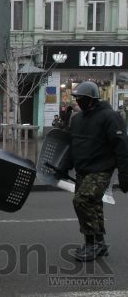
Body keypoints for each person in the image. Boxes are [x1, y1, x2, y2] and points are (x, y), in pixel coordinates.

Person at [57, 81, 128, 261]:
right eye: (77, 98)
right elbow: (72, 146)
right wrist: (63, 167)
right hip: (83, 169)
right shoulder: (78, 119)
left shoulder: (110, 117)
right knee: (94, 206)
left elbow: (121, 147)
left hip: (101, 169)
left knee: (82, 200)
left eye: (83, 98)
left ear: (92, 99)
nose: (79, 101)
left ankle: (92, 244)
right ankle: (100, 243)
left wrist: (124, 174)